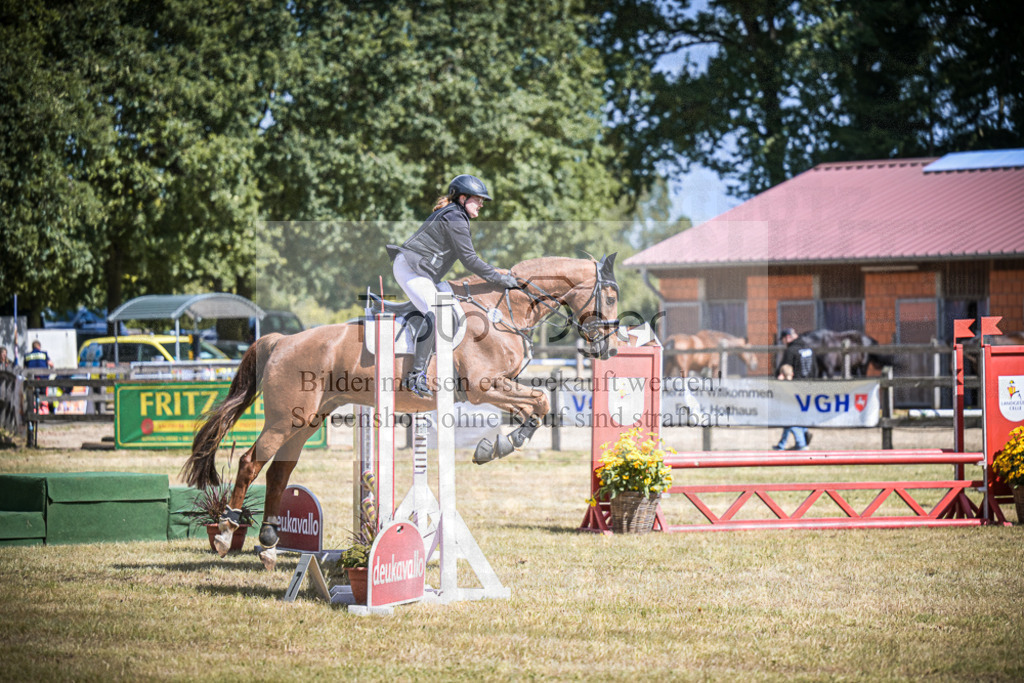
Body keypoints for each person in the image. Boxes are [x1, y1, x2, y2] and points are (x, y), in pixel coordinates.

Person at [386, 174, 518, 398]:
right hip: (411, 268)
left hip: (418, 269)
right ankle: (415, 375)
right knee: (436, 313)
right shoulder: (455, 218)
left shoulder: (455, 215)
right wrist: (499, 278)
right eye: (478, 199)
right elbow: (470, 260)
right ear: (463, 198)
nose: (482, 204)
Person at [774, 328, 816, 451]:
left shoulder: (791, 350)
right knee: (797, 415)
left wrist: (778, 378)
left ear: (787, 337)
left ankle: (801, 443)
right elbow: (815, 368)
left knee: (791, 416)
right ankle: (788, 441)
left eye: (783, 340)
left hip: (794, 388)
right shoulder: (809, 348)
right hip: (810, 386)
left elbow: (785, 368)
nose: (784, 343)